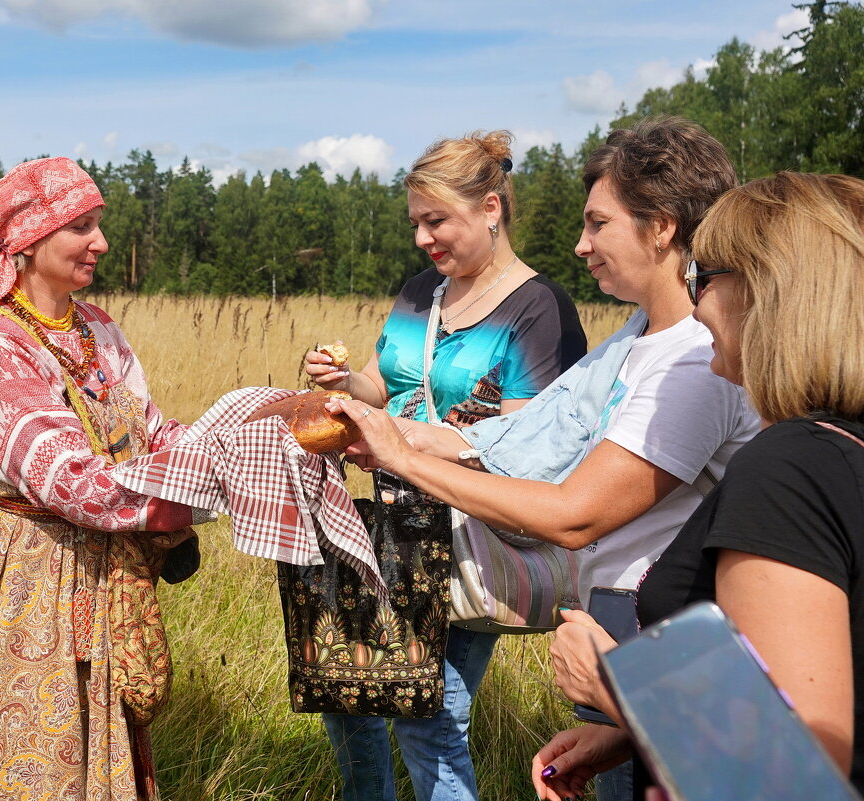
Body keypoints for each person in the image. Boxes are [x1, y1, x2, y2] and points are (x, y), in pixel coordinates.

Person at [324, 117, 759, 801]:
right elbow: (533, 435)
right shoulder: (637, 337)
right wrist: (391, 433)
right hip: (620, 622)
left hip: (663, 628)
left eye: (597, 224)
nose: (580, 244)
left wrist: (401, 457)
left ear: (662, 226)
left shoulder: (688, 362)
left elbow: (573, 514)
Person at [534, 172, 864, 799]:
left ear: (770, 291)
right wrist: (631, 735)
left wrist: (616, 685)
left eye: (704, 277)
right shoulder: (843, 452)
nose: (694, 303)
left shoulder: (789, 471)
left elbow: (784, 773)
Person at [0, 157, 208, 801]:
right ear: (31, 240)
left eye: (100, 225)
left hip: (104, 569)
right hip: (28, 574)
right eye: (83, 227)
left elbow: (150, 432)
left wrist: (248, 445)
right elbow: (74, 482)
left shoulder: (98, 329)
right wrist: (207, 498)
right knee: (25, 750)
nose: (100, 242)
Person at [305, 130, 588, 801]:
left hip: (469, 532)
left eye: (436, 221)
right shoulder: (418, 293)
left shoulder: (539, 310)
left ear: (490, 208)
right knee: (346, 689)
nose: (422, 238)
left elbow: (533, 439)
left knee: (427, 715)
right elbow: (382, 381)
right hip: (391, 526)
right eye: (415, 223)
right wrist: (344, 382)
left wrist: (402, 438)